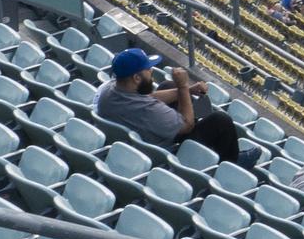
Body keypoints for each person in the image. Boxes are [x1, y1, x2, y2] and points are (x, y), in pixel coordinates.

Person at [93, 47, 260, 165]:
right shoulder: (149, 111)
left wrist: (187, 90)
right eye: (148, 69)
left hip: (135, 134)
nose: (151, 72)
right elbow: (187, 125)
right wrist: (182, 86)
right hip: (159, 150)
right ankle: (232, 162)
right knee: (220, 120)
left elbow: (147, 97)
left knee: (166, 85)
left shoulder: (110, 90)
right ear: (137, 78)